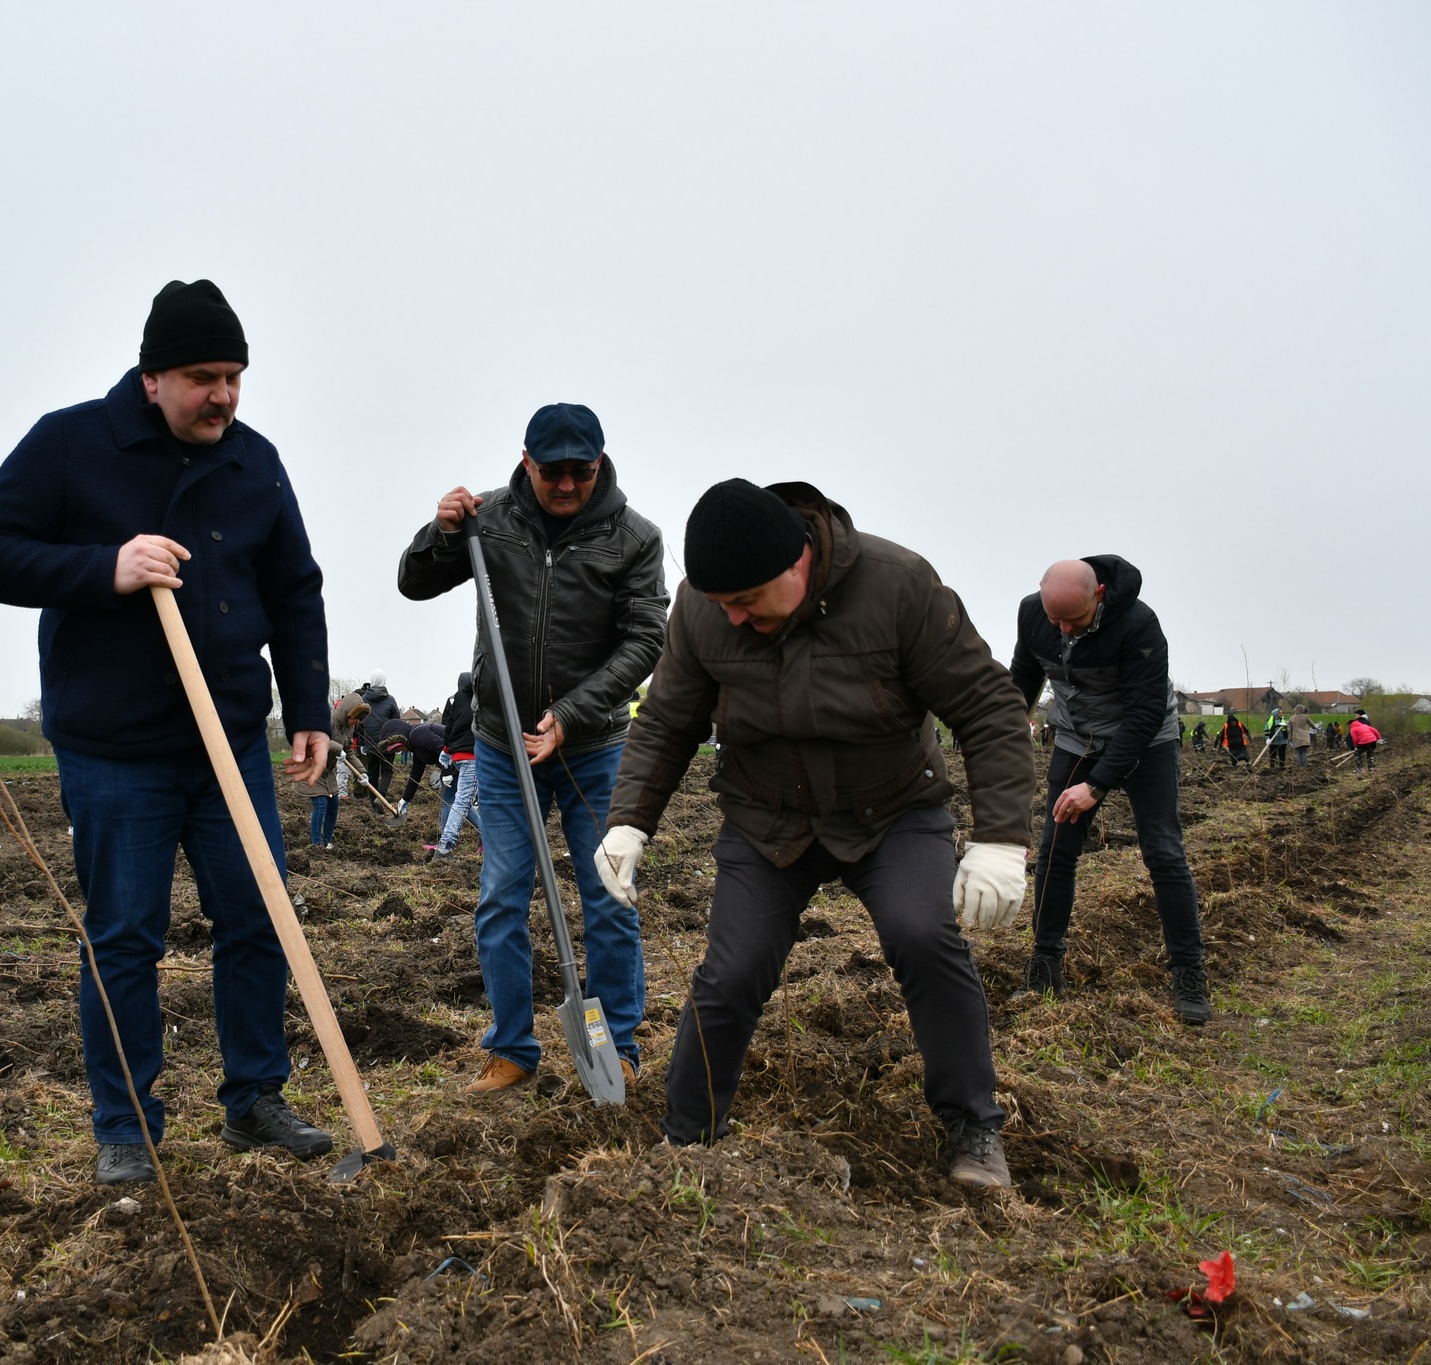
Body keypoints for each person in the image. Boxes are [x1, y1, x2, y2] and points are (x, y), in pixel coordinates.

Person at [0, 279, 335, 1184]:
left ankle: (255, 1098)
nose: (223, 396)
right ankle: (126, 1125)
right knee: (125, 935)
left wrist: (309, 708)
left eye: (235, 377)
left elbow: (295, 589)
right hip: (116, 748)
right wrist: (105, 567)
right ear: (152, 376)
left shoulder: (255, 462)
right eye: (204, 378)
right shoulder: (69, 443)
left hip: (228, 740)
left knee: (258, 917)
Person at [595, 479, 1031, 1189]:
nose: (733, 617)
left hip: (892, 809)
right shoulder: (704, 609)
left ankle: (973, 1126)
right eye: (721, 603)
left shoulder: (898, 586)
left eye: (747, 600)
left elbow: (988, 707)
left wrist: (1001, 838)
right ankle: (687, 1137)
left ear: (798, 561)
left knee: (924, 936)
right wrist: (628, 823)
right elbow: (668, 722)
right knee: (731, 971)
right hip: (767, 817)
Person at [398, 402, 667, 1093]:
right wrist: (442, 532)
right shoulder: (488, 520)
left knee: (608, 894)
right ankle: (512, 1048)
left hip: (594, 746)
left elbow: (646, 638)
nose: (567, 484)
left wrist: (571, 715)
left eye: (582, 471)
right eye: (553, 472)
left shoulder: (634, 538)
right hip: (500, 743)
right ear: (527, 462)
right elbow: (414, 582)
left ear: (600, 463)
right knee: (501, 893)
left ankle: (619, 1047)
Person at [1009, 558, 1211, 1024]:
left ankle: (1189, 973)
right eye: (1054, 619)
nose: (1063, 628)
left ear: (1099, 594)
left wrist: (1096, 785)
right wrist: (1006, 729)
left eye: (1073, 619)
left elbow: (1144, 715)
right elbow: (1023, 678)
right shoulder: (1033, 613)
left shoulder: (1139, 624)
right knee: (1056, 851)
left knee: (1163, 852)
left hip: (1146, 741)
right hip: (1076, 738)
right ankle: (1044, 965)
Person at [430, 671, 481, 861]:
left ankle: (490, 839)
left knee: (467, 798)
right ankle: (445, 846)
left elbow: (450, 725)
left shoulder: (458, 697)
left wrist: (446, 749)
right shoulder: (483, 696)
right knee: (463, 800)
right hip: (472, 753)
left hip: (458, 754)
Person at [306, 692, 359, 849]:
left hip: (328, 771)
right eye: (356, 718)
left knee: (333, 803)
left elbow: (349, 751)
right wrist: (337, 748)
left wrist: (362, 772)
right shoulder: (326, 721)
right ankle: (316, 844)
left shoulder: (349, 728)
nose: (357, 722)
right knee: (321, 803)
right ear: (348, 713)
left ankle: (327, 841)